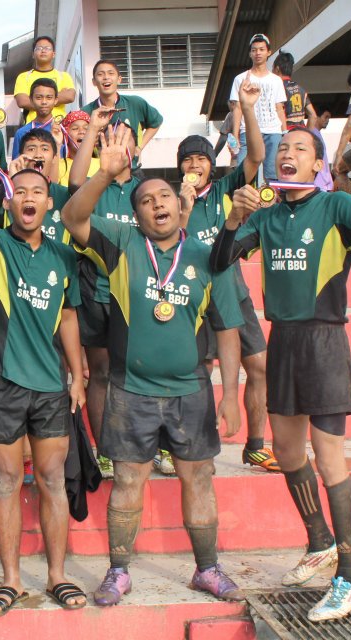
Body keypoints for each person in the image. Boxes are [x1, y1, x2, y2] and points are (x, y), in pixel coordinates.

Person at [210, 126, 351, 622]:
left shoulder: (337, 207)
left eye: (300, 149)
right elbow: (219, 260)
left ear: (318, 164)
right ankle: (319, 543)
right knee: (288, 452)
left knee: (329, 457)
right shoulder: (266, 216)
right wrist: (233, 217)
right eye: (282, 149)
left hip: (325, 340)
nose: (287, 154)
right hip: (284, 342)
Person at [62, 124, 246, 607]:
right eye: (146, 200)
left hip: (192, 392)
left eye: (165, 195)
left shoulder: (208, 258)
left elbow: (227, 330)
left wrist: (231, 393)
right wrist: (104, 176)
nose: (157, 204)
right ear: (135, 213)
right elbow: (72, 217)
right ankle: (119, 571)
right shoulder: (121, 244)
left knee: (198, 478)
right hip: (131, 391)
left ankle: (207, 569)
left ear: (180, 206)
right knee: (127, 481)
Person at [0, 106, 87, 617]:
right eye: (21, 191)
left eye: (38, 191)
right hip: (3, 382)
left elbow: (69, 319)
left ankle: (57, 576)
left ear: (48, 201)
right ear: (9, 202)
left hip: (51, 384)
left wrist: (77, 374)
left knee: (53, 479)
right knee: (9, 482)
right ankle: (11, 580)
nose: (29, 197)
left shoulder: (63, 255)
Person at [179, 74, 278, 472]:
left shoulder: (226, 189)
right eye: (187, 159)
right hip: (195, 302)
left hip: (233, 293)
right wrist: (182, 207)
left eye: (201, 159)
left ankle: (255, 444)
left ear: (211, 165)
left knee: (260, 367)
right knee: (201, 374)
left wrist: (248, 110)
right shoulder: (170, 198)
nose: (194, 165)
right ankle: (197, 446)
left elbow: (254, 156)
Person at [67, 109, 140, 478]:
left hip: (139, 300)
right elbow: (76, 182)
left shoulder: (146, 191)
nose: (118, 144)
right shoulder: (97, 185)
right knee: (100, 372)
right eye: (111, 139)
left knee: (138, 370)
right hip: (96, 292)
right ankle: (105, 450)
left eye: (126, 139)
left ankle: (149, 445)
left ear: (137, 148)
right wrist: (93, 129)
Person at [81, 60, 163, 161]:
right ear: (94, 81)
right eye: (100, 74)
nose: (106, 77)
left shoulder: (135, 103)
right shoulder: (85, 112)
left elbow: (156, 122)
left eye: (111, 73)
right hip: (98, 170)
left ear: (119, 79)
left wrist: (139, 147)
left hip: (131, 169)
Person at [229, 34, 286, 180]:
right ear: (249, 53)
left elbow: (279, 108)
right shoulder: (240, 79)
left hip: (273, 130)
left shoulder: (276, 80)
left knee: (273, 175)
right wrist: (235, 135)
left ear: (269, 52)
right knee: (243, 174)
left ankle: (271, 202)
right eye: (254, 50)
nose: (258, 53)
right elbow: (237, 108)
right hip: (247, 131)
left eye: (261, 49)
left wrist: (284, 133)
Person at [13, 36, 76, 123]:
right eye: (39, 48)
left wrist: (37, 100)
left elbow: (70, 96)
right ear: (33, 54)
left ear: (53, 54)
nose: (43, 50)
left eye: (47, 48)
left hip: (59, 125)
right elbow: (22, 101)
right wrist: (57, 97)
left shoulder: (63, 76)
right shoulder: (24, 77)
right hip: (33, 127)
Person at [12, 78, 58, 158]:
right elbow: (17, 166)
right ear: (31, 99)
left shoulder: (62, 130)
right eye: (39, 97)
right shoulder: (22, 133)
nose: (44, 102)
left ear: (56, 100)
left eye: (49, 97)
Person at [273, 51, 317, 130]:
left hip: (286, 134)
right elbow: (313, 115)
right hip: (301, 134)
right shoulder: (301, 90)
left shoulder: (277, 89)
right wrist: (307, 135)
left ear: (277, 69)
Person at [56, 110, 99, 186]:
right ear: (65, 136)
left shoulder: (101, 164)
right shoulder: (58, 166)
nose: (81, 131)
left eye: (86, 129)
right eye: (75, 128)